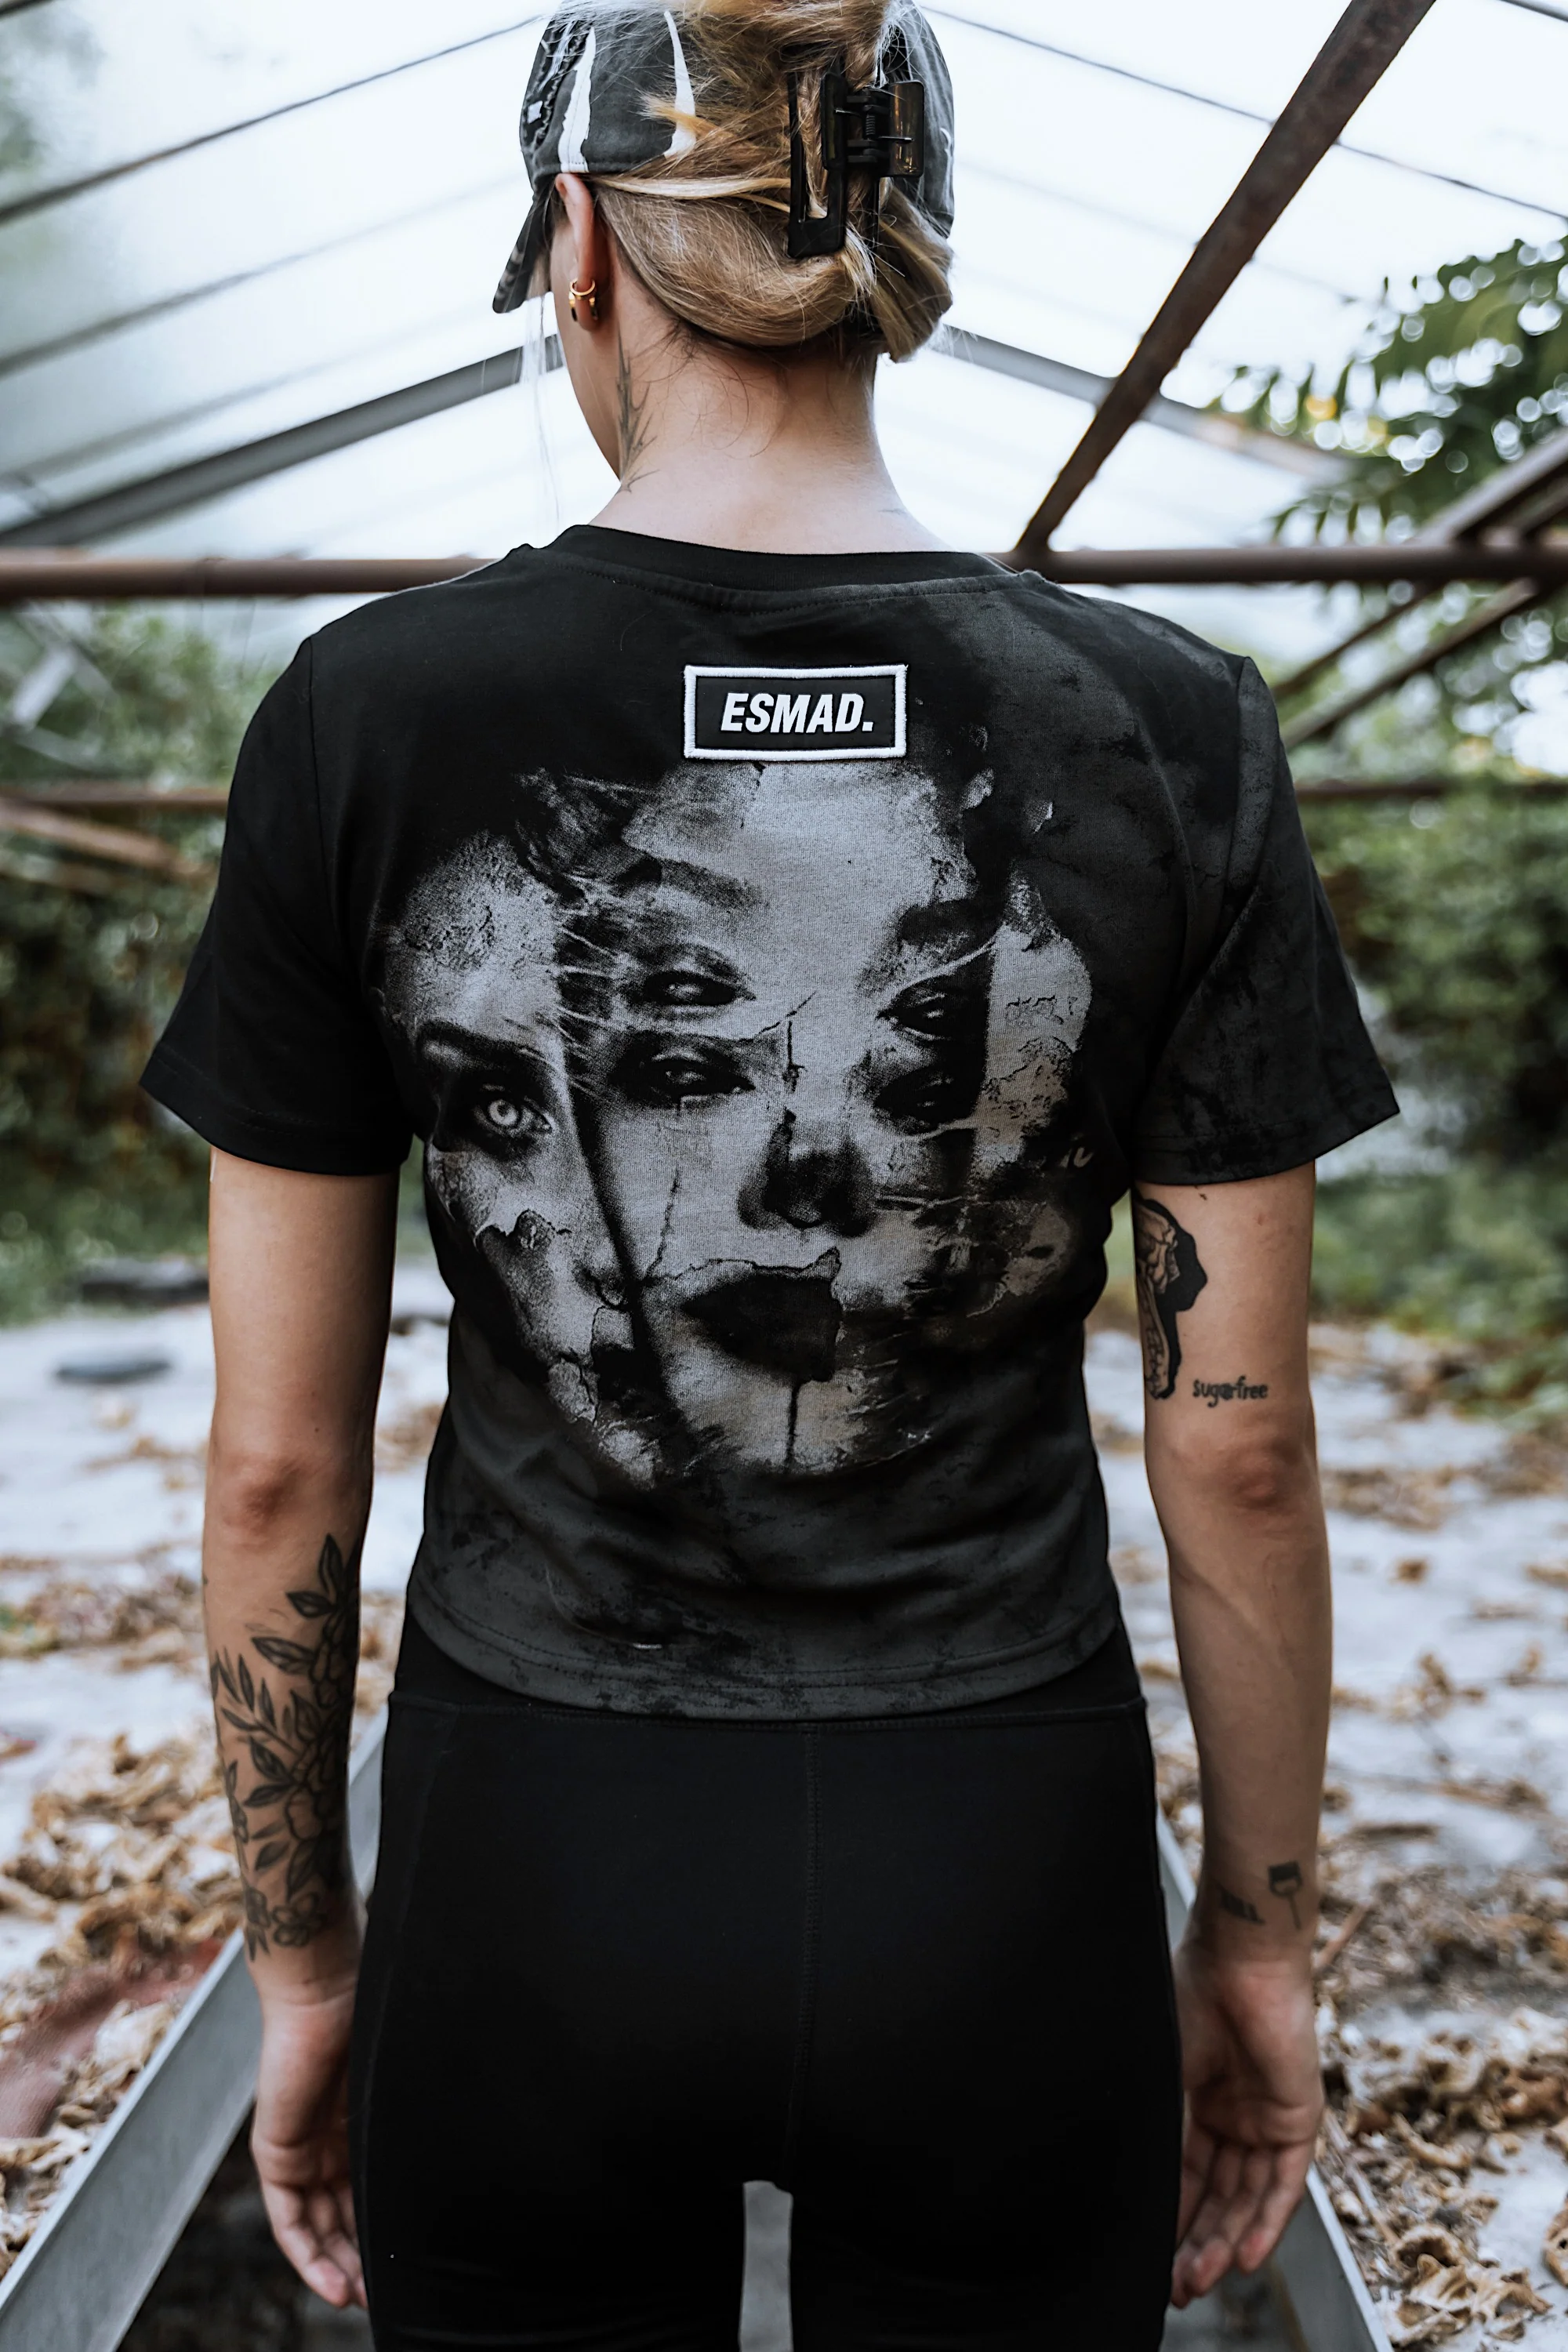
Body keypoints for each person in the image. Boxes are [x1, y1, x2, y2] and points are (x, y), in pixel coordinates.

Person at [143, 1, 1397, 2342]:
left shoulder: (366, 716)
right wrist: (1257, 1936)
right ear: (909, 261)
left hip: (533, 1853)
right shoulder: (1170, 726)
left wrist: (304, 1960)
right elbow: (1241, 1449)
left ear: (577, 240)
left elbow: (273, 1470)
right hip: (999, 1856)